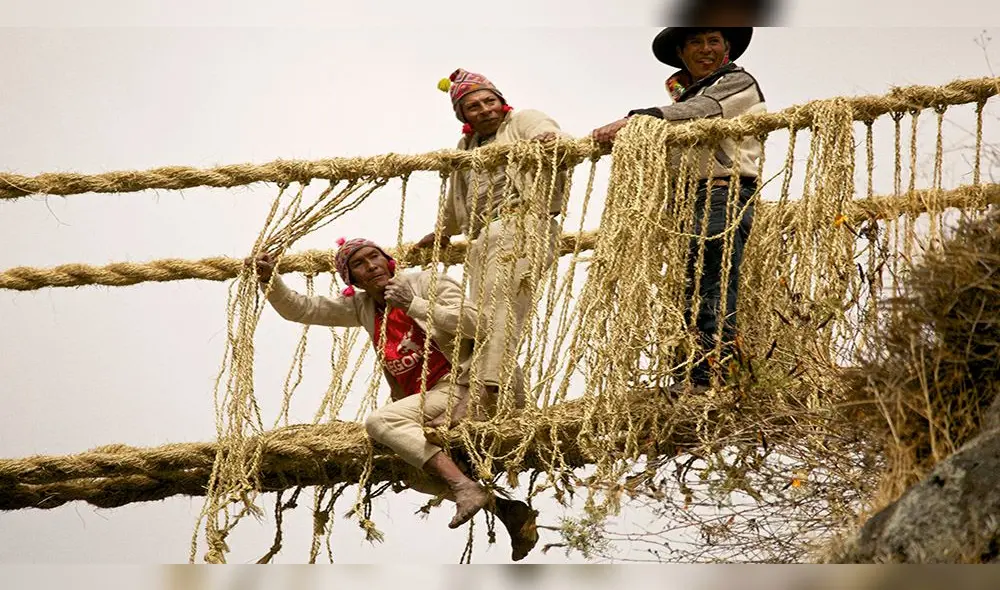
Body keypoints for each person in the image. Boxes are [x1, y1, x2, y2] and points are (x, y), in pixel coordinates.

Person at [248, 238, 538, 561]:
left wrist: (413, 304)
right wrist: (269, 279)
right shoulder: (362, 307)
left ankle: (464, 486)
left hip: (465, 388)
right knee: (410, 470)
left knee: (381, 421)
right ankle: (505, 509)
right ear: (353, 280)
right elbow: (302, 308)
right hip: (430, 401)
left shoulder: (427, 283)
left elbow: (478, 324)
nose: (370, 265)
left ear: (388, 261)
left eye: (374, 257)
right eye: (359, 264)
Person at [591, 28, 766, 389]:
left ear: (727, 48)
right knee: (690, 285)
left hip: (722, 191)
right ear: (681, 53)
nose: (705, 49)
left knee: (712, 281)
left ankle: (710, 374)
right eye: (695, 43)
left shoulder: (735, 82)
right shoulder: (688, 94)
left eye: (713, 41)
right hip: (691, 201)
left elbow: (700, 112)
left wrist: (637, 120)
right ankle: (688, 373)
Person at [415, 68, 569, 405]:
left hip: (524, 223)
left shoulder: (523, 120)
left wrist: (549, 140)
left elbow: (551, 134)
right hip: (484, 236)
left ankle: (487, 389)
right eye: (474, 106)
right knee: (481, 317)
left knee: (503, 309)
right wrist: (442, 232)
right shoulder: (466, 146)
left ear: (502, 101)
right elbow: (458, 197)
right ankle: (513, 401)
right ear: (463, 116)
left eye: (490, 101)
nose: (485, 110)